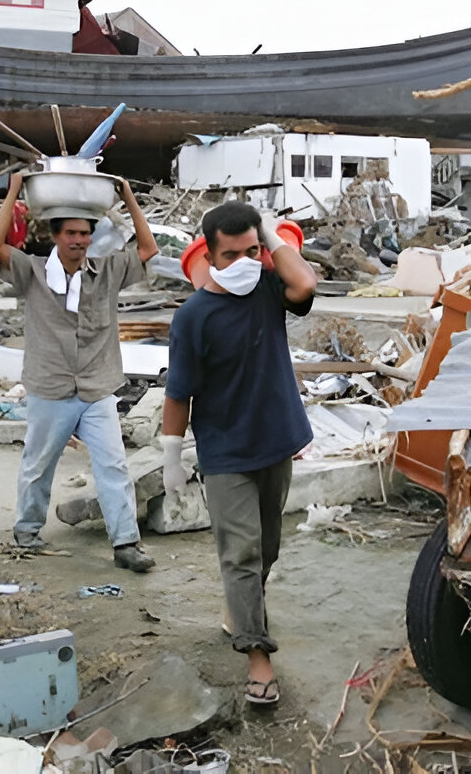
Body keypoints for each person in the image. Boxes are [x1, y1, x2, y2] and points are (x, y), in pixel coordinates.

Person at [159, 201, 318, 705]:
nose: (246, 261)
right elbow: (178, 393)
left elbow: (306, 285)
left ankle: (239, 610)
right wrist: (171, 456)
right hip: (225, 453)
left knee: (266, 548)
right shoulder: (193, 317)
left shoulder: (269, 288)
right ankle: (258, 658)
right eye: (233, 254)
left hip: (277, 441)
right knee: (243, 552)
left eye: (253, 250)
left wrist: (269, 235)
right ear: (209, 254)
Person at [0, 171, 160, 573]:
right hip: (51, 388)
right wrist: (15, 190)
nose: (79, 240)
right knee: (38, 464)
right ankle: (27, 530)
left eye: (85, 233)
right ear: (55, 236)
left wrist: (129, 194)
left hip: (97, 387)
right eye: (71, 234)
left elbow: (148, 248)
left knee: (113, 465)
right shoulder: (31, 272)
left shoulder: (107, 271)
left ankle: (126, 544)